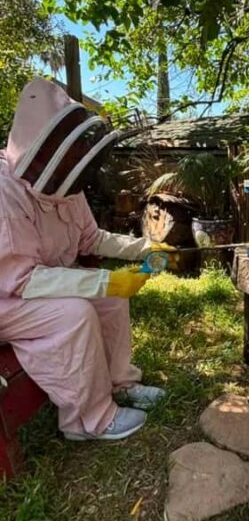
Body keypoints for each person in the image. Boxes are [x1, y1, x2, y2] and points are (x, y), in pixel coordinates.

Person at [0, 77, 174, 441]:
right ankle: (88, 420)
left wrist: (144, 248)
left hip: (39, 281)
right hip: (8, 297)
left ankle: (119, 382)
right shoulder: (5, 192)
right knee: (73, 313)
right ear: (40, 149)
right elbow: (22, 280)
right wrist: (102, 279)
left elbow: (91, 238)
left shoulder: (65, 180)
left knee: (110, 299)